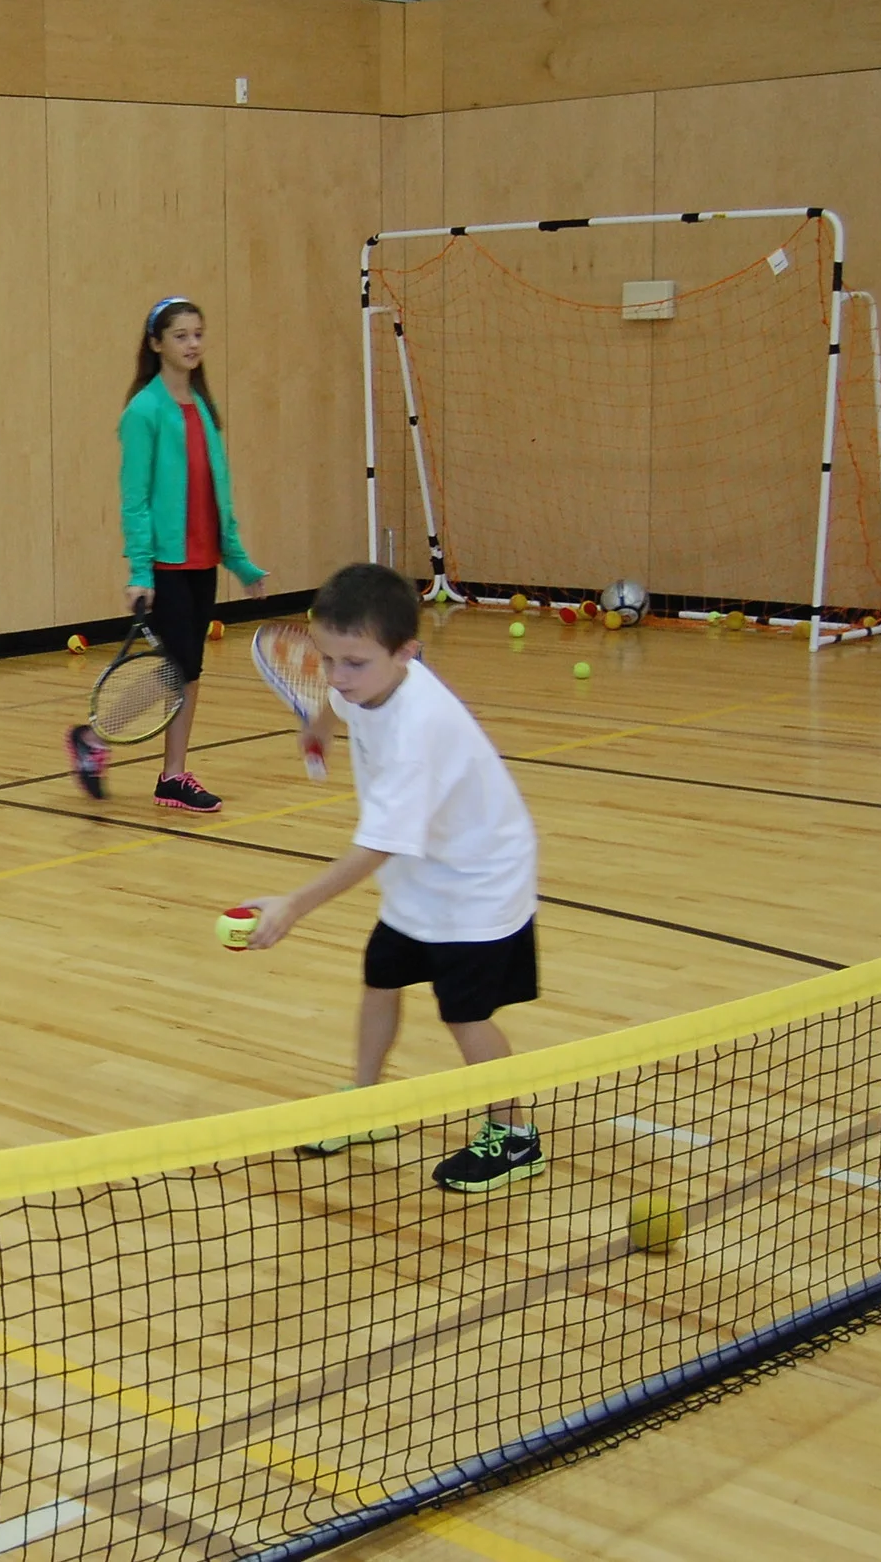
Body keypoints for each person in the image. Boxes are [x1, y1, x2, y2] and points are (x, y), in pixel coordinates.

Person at [238, 562, 545, 1194]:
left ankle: (515, 1136)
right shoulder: (368, 682)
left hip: (476, 880)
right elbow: (340, 697)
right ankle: (365, 1104)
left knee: (464, 1013)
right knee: (382, 975)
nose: (336, 676)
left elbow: (377, 845)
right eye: (326, 659)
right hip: (424, 868)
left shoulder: (417, 728)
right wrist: (319, 722)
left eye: (353, 663)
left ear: (407, 652)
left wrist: (293, 905)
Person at [66, 296, 266, 812]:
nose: (193, 343)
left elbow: (217, 493)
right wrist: (140, 570)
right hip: (166, 566)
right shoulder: (144, 412)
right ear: (156, 344)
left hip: (202, 564)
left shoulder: (202, 407)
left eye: (198, 333)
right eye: (181, 335)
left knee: (187, 670)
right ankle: (115, 747)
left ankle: (162, 770)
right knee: (176, 668)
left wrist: (239, 562)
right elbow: (134, 499)